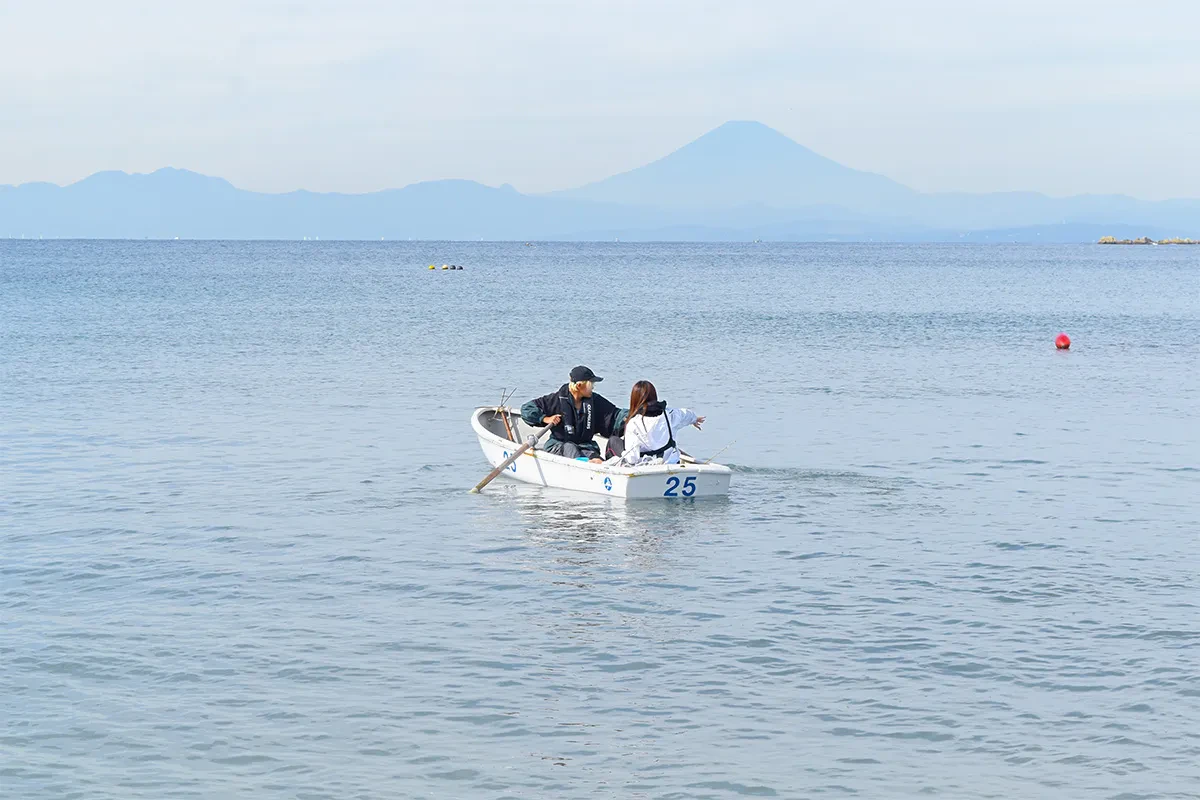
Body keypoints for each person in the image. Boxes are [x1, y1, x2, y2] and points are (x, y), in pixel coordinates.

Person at [521, 366, 626, 463]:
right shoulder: (556, 400)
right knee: (570, 447)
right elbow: (526, 409)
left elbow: (615, 415)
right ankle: (584, 464)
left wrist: (632, 415)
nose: (593, 388)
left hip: (586, 447)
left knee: (596, 458)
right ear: (580, 386)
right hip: (559, 446)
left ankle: (594, 464)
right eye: (591, 385)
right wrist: (545, 418)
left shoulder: (595, 401)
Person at [615, 380, 705, 466]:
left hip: (644, 468)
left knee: (613, 442)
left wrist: (622, 453)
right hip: (671, 463)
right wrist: (694, 419)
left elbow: (632, 459)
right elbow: (687, 414)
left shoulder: (633, 423)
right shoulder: (671, 414)